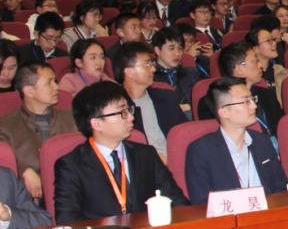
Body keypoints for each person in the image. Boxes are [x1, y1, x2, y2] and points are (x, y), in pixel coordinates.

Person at [54, 81, 188, 221]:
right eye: (123, 112)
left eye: (129, 110)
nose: (131, 117)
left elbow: (176, 200)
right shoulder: (71, 165)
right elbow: (67, 219)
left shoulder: (146, 154)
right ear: (97, 123)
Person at [184, 76, 286, 205]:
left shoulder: (262, 142)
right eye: (246, 101)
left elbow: (281, 188)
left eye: (252, 99)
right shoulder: (201, 151)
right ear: (224, 112)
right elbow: (202, 203)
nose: (254, 106)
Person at [0, 62, 77, 201]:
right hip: (31, 198)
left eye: (55, 81)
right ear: (29, 91)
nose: (56, 87)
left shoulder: (71, 118)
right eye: (49, 82)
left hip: (73, 190)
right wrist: (24, 170)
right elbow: (1, 161)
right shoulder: (5, 125)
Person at [116, 40, 185, 158]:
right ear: (129, 71)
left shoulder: (167, 98)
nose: (153, 69)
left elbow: (185, 134)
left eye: (152, 64)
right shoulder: (116, 109)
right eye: (147, 64)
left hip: (177, 159)